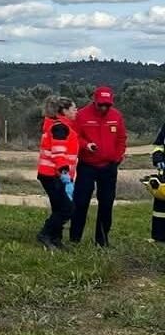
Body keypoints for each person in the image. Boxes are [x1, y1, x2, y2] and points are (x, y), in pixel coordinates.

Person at [71, 86, 127, 247]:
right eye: (100, 104)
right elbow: (75, 136)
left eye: (107, 105)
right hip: (87, 166)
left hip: (109, 167)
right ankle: (75, 239)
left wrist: (117, 158)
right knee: (80, 202)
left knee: (106, 203)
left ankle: (102, 241)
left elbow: (121, 138)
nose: (103, 108)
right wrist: (86, 145)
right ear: (94, 101)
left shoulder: (116, 116)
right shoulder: (81, 115)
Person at [36, 96, 79, 250]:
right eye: (74, 109)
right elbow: (59, 153)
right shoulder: (60, 127)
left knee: (58, 207)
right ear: (64, 111)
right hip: (53, 175)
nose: (76, 112)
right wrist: (65, 175)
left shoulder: (60, 126)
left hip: (53, 174)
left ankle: (56, 238)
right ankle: (45, 234)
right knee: (67, 208)